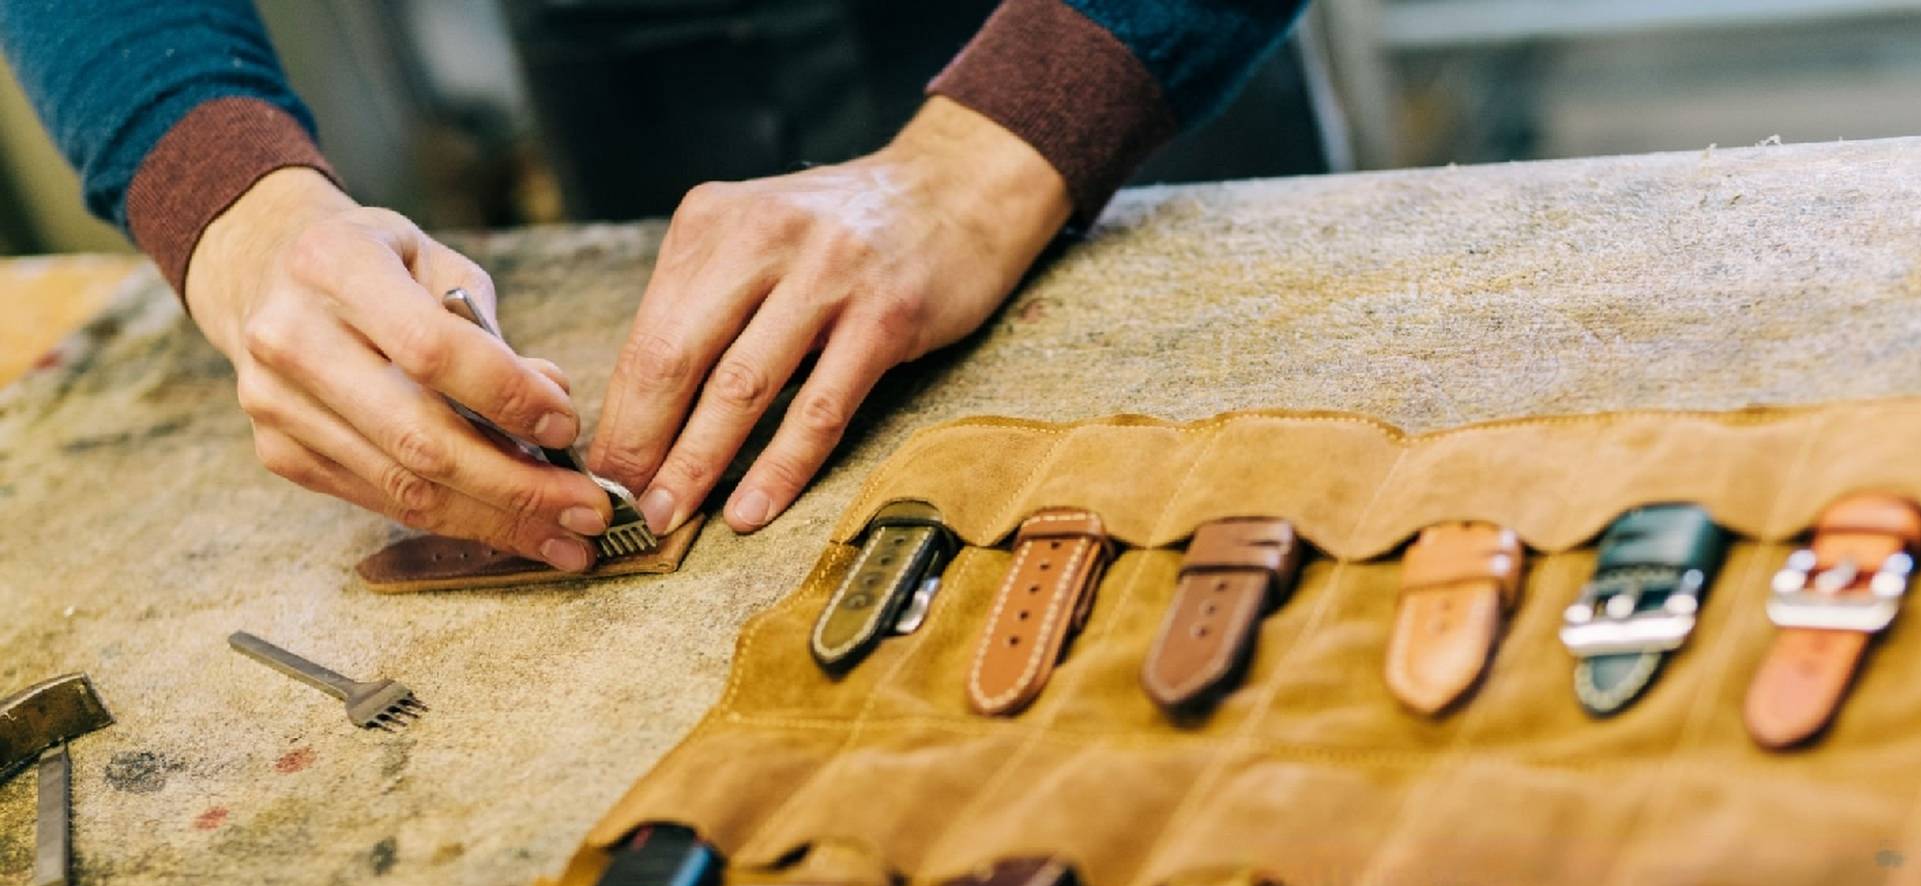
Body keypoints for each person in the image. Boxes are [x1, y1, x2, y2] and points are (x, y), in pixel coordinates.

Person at [0, 0, 1306, 569]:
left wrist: (1010, 140)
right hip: (633, 52)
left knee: (1222, 507)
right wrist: (228, 204)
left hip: (1099, 39)